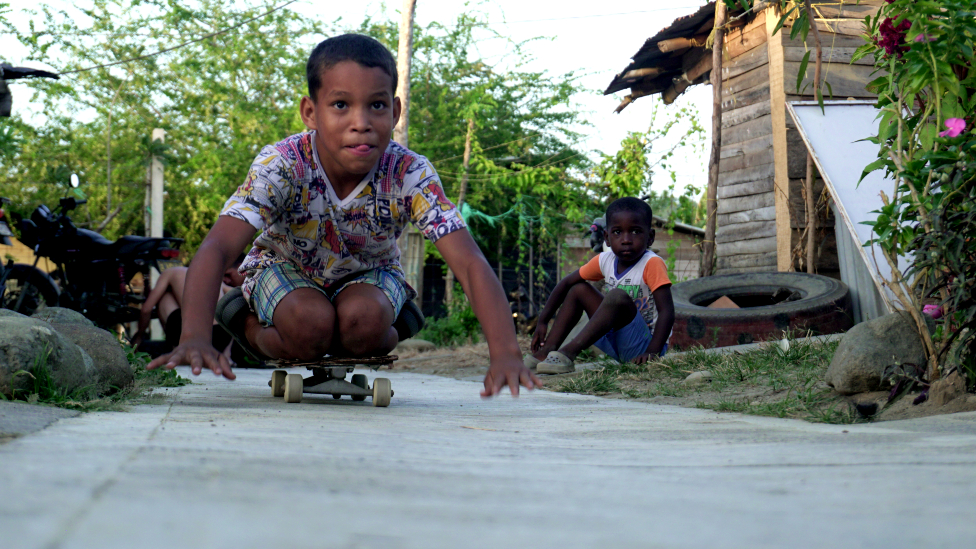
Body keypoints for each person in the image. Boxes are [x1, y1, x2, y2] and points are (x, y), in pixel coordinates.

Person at [148, 34, 540, 397]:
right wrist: (195, 337)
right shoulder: (283, 164)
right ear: (310, 112)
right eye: (341, 105)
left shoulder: (409, 173)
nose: (361, 123)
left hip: (369, 276)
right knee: (309, 326)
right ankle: (246, 323)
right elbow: (218, 246)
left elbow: (469, 262)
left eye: (377, 105)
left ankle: (394, 320)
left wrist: (505, 352)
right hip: (285, 269)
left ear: (395, 110)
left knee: (363, 322)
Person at [526, 197, 675, 374]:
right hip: (616, 341)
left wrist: (653, 351)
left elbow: (667, 311)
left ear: (650, 237)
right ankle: (544, 353)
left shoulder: (651, 263)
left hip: (643, 346)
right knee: (578, 289)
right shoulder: (605, 260)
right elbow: (566, 283)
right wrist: (542, 321)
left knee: (616, 296)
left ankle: (567, 353)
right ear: (607, 237)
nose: (626, 240)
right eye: (617, 232)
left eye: (635, 232)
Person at [131, 255, 246, 358]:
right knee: (229, 305)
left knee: (163, 295)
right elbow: (237, 302)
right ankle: (225, 355)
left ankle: (175, 349)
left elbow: (146, 309)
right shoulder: (214, 279)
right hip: (218, 339)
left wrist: (139, 336)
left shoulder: (170, 272)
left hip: (189, 336)